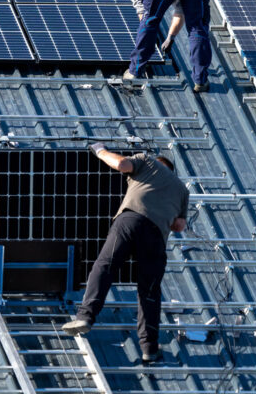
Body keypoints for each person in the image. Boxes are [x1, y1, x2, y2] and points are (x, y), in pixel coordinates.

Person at [62, 143, 189, 363]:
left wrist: (100, 151)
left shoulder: (148, 161)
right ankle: (149, 348)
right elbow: (179, 225)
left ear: (159, 163)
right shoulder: (182, 190)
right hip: (156, 236)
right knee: (149, 291)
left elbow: (121, 164)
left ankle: (85, 317)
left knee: (105, 266)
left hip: (130, 220)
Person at [123, 0, 212, 93]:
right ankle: (201, 80)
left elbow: (144, 15)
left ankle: (134, 71)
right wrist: (170, 37)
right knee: (197, 25)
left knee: (150, 19)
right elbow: (180, 13)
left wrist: (153, 38)